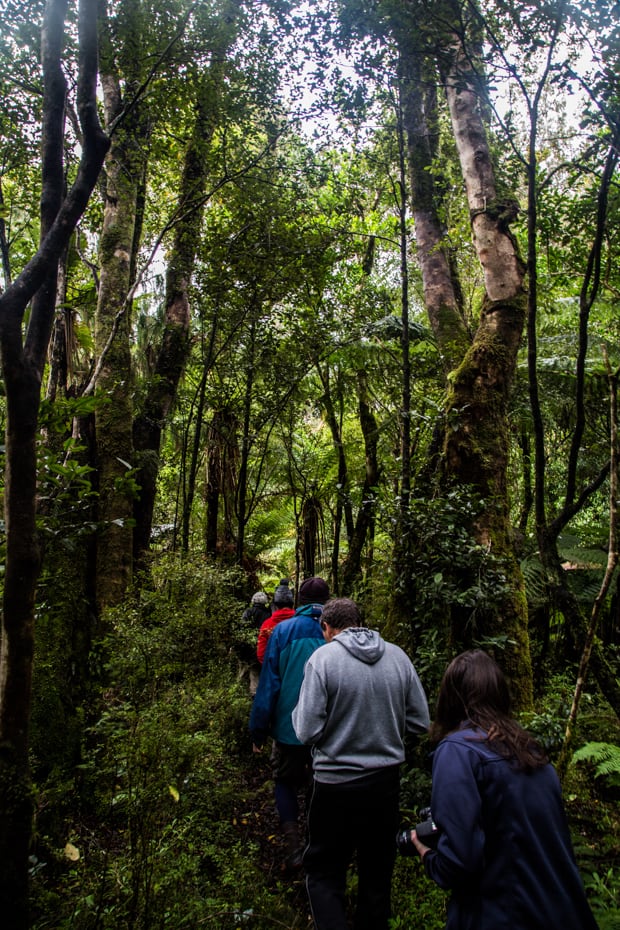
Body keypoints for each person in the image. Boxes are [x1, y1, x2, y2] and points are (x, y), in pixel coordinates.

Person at [408, 649, 599, 930]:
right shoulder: (529, 750)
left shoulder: (457, 751)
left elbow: (460, 861)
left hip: (505, 914)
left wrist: (427, 854)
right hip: (563, 910)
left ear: (450, 698)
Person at [292, 597, 430, 930]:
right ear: (359, 622)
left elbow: (306, 730)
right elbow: (420, 721)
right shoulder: (397, 657)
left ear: (327, 627)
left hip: (334, 785)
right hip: (384, 784)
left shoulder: (323, 660)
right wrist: (388, 731)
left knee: (325, 871)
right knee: (377, 872)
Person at [249, 576, 330, 870]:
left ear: (299, 603)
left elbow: (268, 684)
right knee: (318, 783)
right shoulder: (334, 632)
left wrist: (258, 730)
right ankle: (315, 842)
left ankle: (294, 844)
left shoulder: (282, 632)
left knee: (284, 781)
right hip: (324, 730)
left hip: (287, 727)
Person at [257, 579, 295, 664]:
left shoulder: (267, 625)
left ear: (275, 605)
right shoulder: (301, 623)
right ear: (292, 604)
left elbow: (261, 654)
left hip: (273, 671)